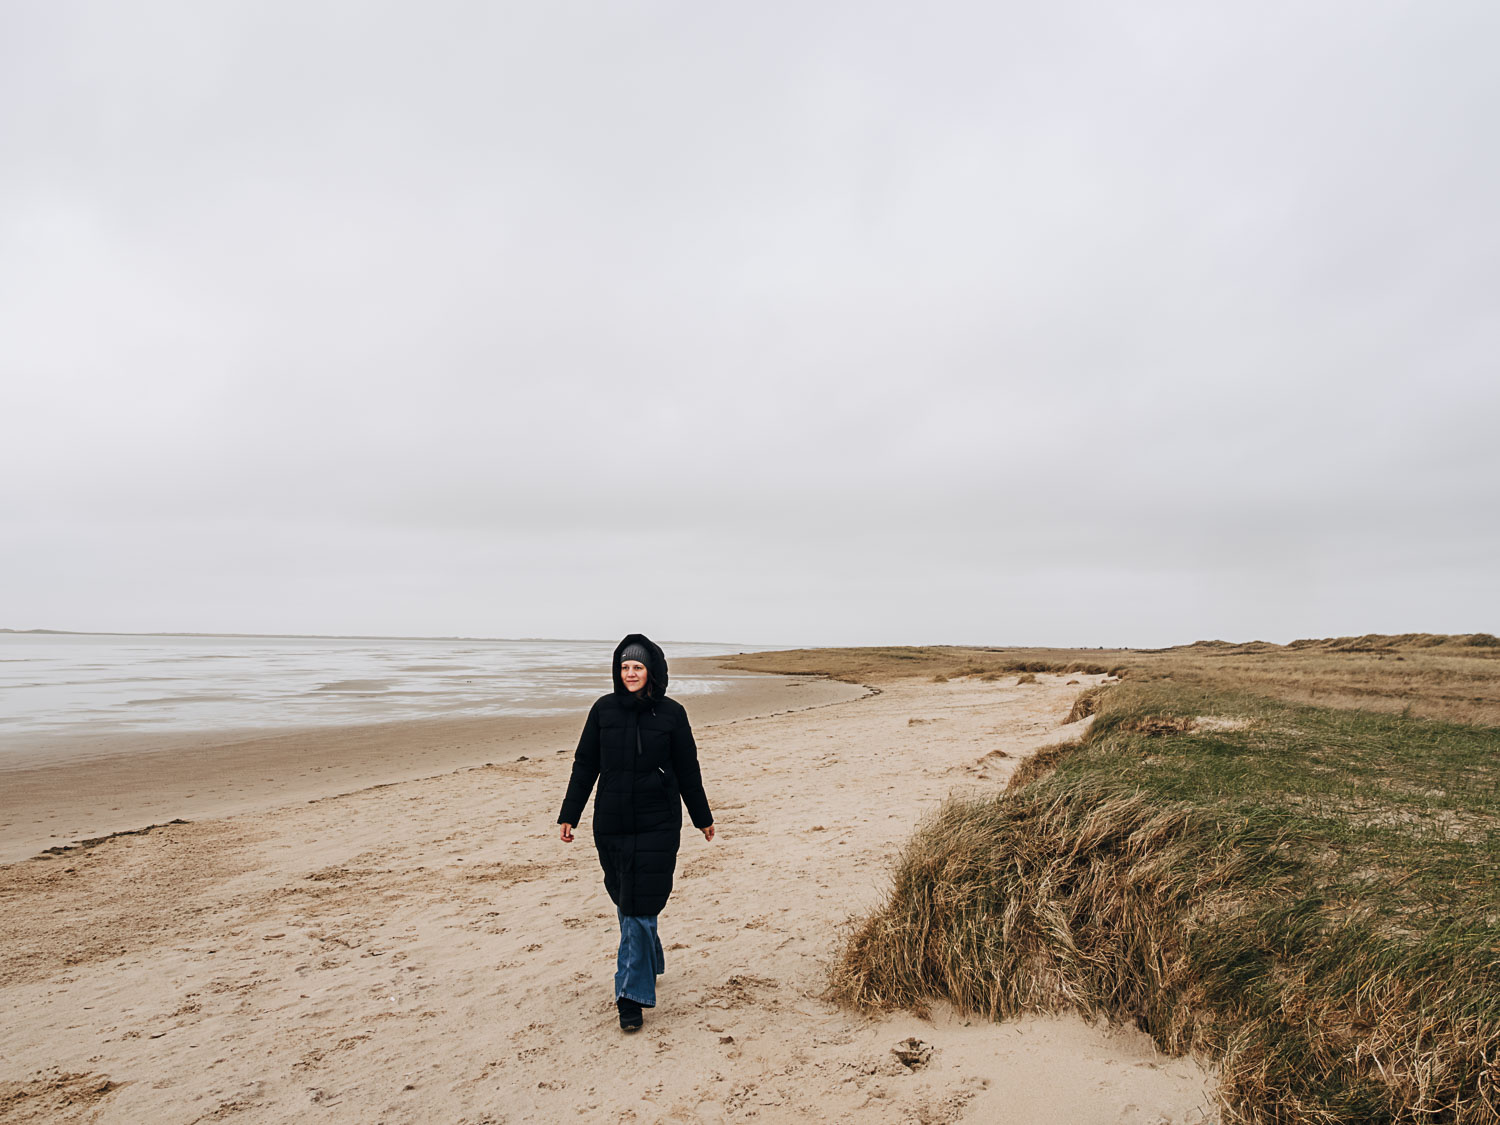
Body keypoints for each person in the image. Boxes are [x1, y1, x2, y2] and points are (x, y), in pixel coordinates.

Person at [557, 634, 715, 1032]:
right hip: (610, 822)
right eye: (625, 667)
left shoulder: (672, 715)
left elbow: (688, 770)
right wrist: (569, 814)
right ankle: (652, 958)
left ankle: (631, 996)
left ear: (652, 671)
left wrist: (702, 817)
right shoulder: (603, 710)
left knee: (638, 906)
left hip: (658, 823)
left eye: (638, 667)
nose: (630, 673)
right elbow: (584, 765)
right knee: (625, 898)